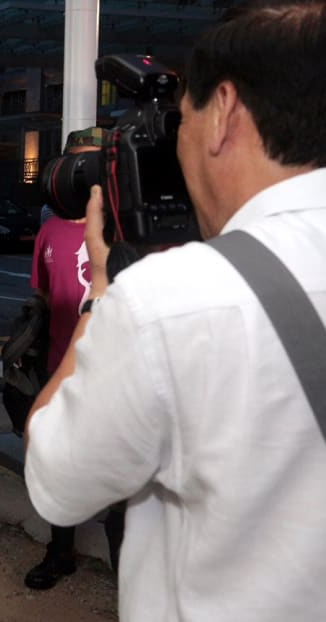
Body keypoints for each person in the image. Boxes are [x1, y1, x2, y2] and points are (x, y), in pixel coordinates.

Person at [24, 2, 326, 621]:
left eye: (179, 121)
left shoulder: (170, 302)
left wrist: (104, 296)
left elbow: (56, 480)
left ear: (224, 113)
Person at [24, 126, 128, 590]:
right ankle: (59, 553)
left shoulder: (130, 231)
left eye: (95, 166)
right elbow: (44, 294)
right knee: (61, 464)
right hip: (61, 368)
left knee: (124, 481)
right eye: (77, 165)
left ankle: (127, 572)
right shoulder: (47, 230)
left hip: (121, 374)